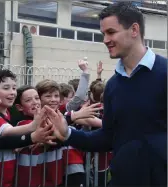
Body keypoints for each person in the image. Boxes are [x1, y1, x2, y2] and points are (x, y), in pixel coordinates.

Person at [46, 2, 167, 186]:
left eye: (111, 32)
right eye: (103, 34)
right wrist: (68, 133)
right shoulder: (112, 86)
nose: (105, 40)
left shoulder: (164, 73)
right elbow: (107, 138)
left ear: (134, 29)